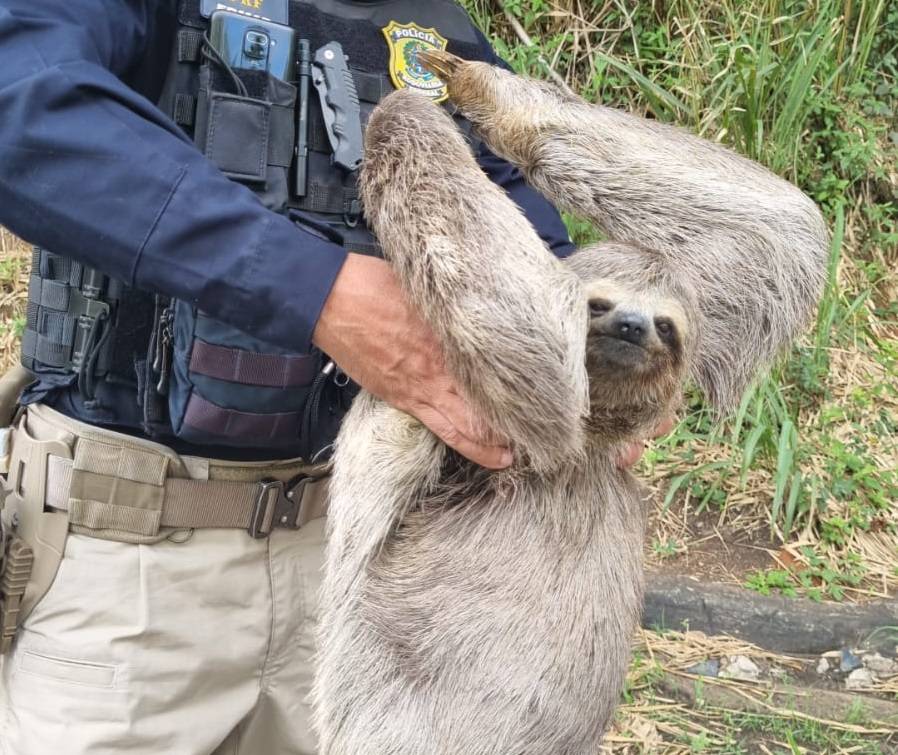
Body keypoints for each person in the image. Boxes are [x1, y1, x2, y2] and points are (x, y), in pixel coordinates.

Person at [0, 1, 666, 752]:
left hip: (363, 565)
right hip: (129, 558)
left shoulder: (435, 30)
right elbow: (21, 105)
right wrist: (322, 293)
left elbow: (530, 241)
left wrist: (590, 374)